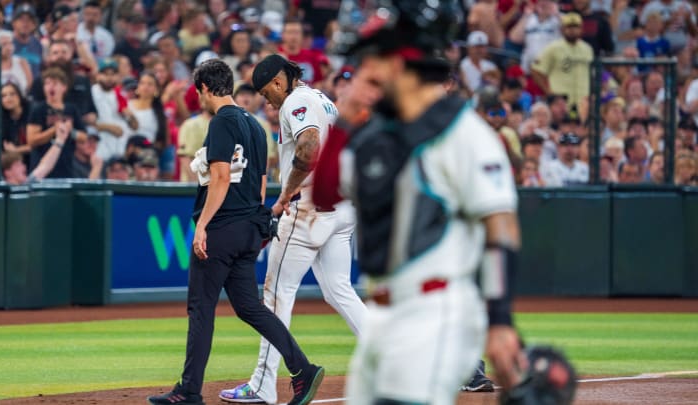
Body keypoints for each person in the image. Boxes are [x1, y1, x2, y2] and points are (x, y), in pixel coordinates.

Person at [313, 1, 525, 403]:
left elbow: (500, 229)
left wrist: (500, 323)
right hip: (381, 316)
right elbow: (324, 193)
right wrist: (346, 112)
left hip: (435, 310)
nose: (365, 70)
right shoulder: (377, 133)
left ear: (397, 63)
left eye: (372, 59)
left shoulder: (464, 133)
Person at [148, 58, 323, 405]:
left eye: (198, 92)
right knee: (249, 308)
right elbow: (260, 184)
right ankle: (302, 368)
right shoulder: (256, 125)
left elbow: (221, 177)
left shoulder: (221, 122)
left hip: (223, 228)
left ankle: (189, 390)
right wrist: (253, 222)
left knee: (201, 308)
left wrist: (202, 226)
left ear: (204, 89)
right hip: (248, 228)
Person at [219, 54, 366, 404]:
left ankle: (262, 385)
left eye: (265, 92)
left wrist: (286, 193)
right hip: (342, 205)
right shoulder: (322, 99)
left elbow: (309, 145)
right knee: (339, 290)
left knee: (275, 294)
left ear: (278, 82)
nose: (265, 101)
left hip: (310, 208)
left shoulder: (296, 101)